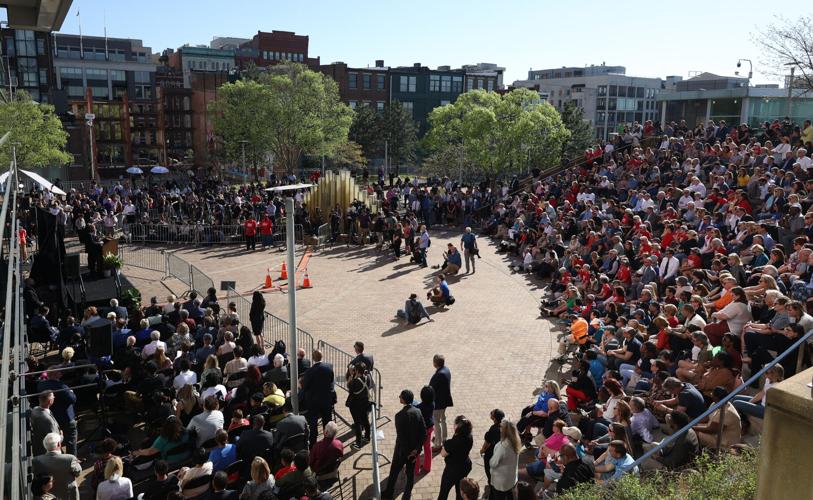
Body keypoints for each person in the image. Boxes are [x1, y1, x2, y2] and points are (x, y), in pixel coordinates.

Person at [382, 390, 426, 500]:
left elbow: (401, 438)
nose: (399, 397)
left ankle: (388, 493)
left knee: (394, 472)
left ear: (404, 400)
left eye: (400, 396)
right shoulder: (418, 412)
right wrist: (416, 450)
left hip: (402, 452)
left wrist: (408, 453)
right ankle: (407, 496)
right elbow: (423, 433)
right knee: (410, 475)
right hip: (413, 452)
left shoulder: (399, 416)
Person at [37, 368, 78, 457]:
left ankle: (60, 458)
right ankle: (72, 461)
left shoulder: (41, 385)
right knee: (71, 440)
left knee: (55, 440)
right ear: (56, 375)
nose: (61, 373)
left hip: (52, 418)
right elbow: (73, 399)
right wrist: (71, 392)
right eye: (59, 371)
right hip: (66, 418)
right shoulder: (61, 386)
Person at [302, 349, 336, 447]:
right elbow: (331, 382)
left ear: (313, 358)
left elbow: (305, 386)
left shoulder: (310, 371)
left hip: (313, 401)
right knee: (327, 421)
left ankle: (313, 444)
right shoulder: (329, 368)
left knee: (313, 423)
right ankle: (329, 442)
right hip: (326, 400)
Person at [32, 433, 81, 500]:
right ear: (58, 444)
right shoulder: (70, 459)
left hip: (46, 497)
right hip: (68, 496)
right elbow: (78, 473)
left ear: (45, 445)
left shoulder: (36, 460)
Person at [438, 415, 474, 500]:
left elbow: (443, 454)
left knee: (444, 491)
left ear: (457, 426)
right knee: (460, 491)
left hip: (452, 470)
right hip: (465, 466)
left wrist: (445, 445)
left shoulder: (452, 442)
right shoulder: (469, 436)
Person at [489, 419, 520, 500]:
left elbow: (493, 463)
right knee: (510, 495)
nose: (500, 428)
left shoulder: (503, 446)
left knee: (499, 497)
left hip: (501, 480)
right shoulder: (516, 440)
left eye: (501, 427)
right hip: (511, 477)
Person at [429, 354, 453, 451]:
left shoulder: (438, 375)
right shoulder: (446, 369)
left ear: (435, 363)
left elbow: (431, 388)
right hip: (445, 400)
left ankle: (438, 444)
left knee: (436, 422)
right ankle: (444, 438)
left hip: (438, 403)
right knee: (443, 420)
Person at [346, 363, 371, 449]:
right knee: (365, 420)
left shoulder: (355, 381)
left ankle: (358, 443)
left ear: (356, 370)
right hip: (365, 402)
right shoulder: (368, 378)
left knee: (357, 423)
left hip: (355, 405)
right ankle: (367, 437)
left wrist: (350, 380)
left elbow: (350, 390)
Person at [30, 391, 61, 456]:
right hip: (48, 452)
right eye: (53, 397)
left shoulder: (35, 409)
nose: (54, 397)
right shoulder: (48, 420)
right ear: (50, 401)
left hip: (38, 447)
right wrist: (61, 436)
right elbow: (54, 440)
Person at [481, 408, 504, 489]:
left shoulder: (493, 429)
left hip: (493, 452)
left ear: (494, 418)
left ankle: (491, 483)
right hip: (502, 452)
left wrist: (482, 451)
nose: (491, 413)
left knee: (488, 466)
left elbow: (487, 443)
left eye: (492, 413)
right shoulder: (505, 426)